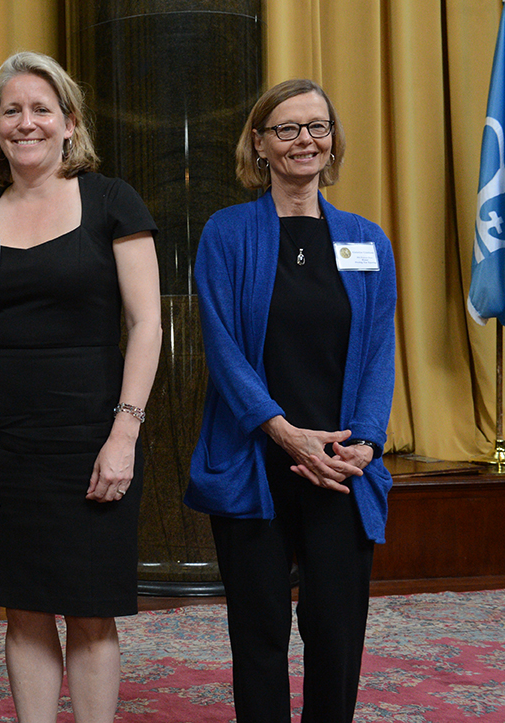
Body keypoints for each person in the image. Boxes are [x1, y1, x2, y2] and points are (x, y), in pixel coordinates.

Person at [0, 51, 162, 722]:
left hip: (92, 439)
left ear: (69, 123)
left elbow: (148, 321)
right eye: (11, 110)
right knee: (24, 609)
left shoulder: (110, 201)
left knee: (91, 613)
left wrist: (123, 433)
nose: (25, 122)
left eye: (41, 109)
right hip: (4, 445)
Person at [185, 78, 396, 723]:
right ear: (261, 144)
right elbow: (223, 350)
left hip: (340, 467)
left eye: (317, 127)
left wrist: (361, 443)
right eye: (287, 129)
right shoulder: (227, 233)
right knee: (259, 633)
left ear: (332, 142)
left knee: (337, 633)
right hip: (257, 459)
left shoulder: (368, 239)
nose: (305, 139)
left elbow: (379, 349)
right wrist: (285, 433)